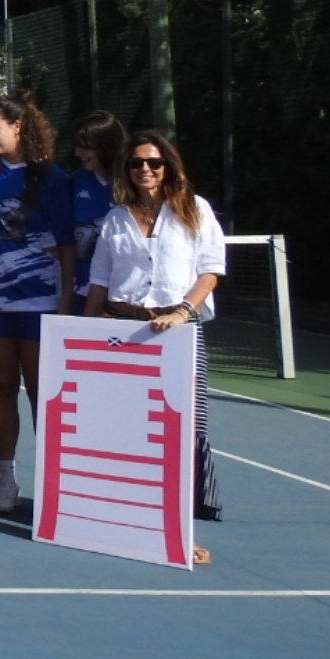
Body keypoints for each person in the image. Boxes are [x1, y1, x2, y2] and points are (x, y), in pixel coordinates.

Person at [85, 129, 226, 533]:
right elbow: (99, 280)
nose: (144, 169)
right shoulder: (114, 218)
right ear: (125, 170)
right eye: (136, 163)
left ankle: (180, 521)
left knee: (185, 423)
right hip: (121, 328)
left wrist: (183, 311)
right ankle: (123, 505)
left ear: (167, 167)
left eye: (153, 162)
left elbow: (210, 270)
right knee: (123, 422)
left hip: (177, 330)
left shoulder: (195, 210)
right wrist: (86, 331)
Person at [0, 92, 73, 514]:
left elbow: (65, 244)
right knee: (1, 390)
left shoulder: (50, 176)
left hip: (40, 303)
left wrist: (63, 300)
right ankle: (5, 477)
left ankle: (53, 482)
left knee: (43, 396)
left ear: (18, 128)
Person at [70, 110, 126, 308]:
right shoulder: (77, 181)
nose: (78, 153)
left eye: (86, 147)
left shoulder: (134, 184)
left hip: (123, 297)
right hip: (82, 291)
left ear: (106, 145)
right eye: (77, 146)